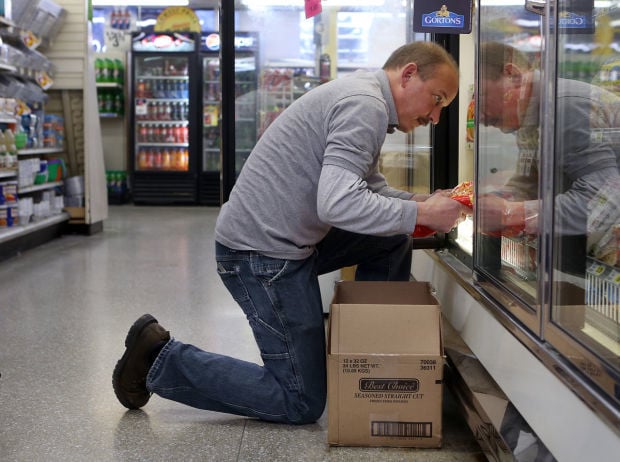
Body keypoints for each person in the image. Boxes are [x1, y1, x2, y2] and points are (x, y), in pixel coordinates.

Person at [112, 42, 469, 424]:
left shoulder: (365, 98)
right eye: (436, 100)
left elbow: (368, 191)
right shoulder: (365, 105)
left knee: (392, 236)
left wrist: (424, 203)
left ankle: (370, 358)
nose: (434, 116)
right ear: (409, 73)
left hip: (285, 240)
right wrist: (422, 211)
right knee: (300, 401)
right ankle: (158, 359)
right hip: (259, 257)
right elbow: (336, 204)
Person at [477, 41, 620, 277]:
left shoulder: (563, 107)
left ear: (512, 76)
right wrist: (500, 199)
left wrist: (513, 213)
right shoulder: (531, 113)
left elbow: (604, 201)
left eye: (482, 95)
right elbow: (530, 181)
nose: (481, 116)